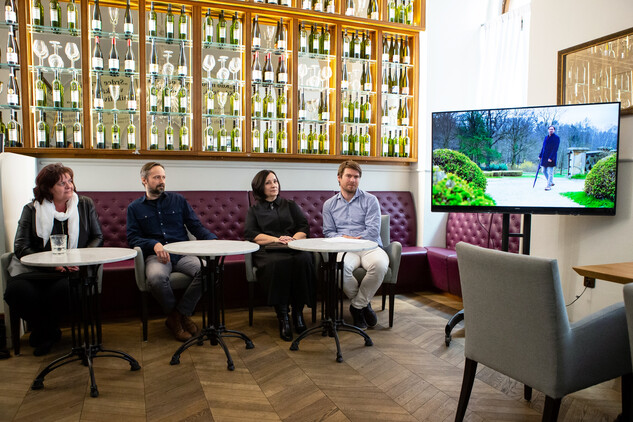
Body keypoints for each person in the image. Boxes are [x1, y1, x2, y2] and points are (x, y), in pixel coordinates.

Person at [4, 163, 103, 356]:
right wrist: (52, 265)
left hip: (74, 269)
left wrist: (78, 259)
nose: (69, 186)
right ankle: (48, 331)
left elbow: (97, 237)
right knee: (15, 290)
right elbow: (21, 246)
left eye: (70, 181)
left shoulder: (84, 204)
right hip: (36, 271)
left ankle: (44, 333)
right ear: (48, 188)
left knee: (63, 290)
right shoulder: (31, 209)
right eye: (61, 183)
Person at [126, 162, 217, 342]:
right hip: (156, 257)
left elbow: (195, 226)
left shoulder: (178, 200)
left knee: (209, 271)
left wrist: (214, 241)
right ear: (144, 180)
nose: (162, 181)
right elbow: (133, 238)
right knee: (156, 278)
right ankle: (177, 318)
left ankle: (178, 315)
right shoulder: (134, 208)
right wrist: (154, 244)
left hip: (183, 253)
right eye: (157, 177)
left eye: (164, 177)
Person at [244, 170, 314, 341]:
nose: (274, 185)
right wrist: (277, 239)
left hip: (293, 246)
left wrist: (292, 240)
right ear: (260, 186)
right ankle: (283, 316)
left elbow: (303, 227)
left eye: (275, 181)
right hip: (268, 250)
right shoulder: (254, 210)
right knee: (277, 263)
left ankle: (298, 313)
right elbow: (251, 234)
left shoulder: (289, 205)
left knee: (304, 260)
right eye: (268, 182)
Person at [322, 160, 389, 329]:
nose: (352, 180)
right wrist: (346, 241)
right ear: (339, 178)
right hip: (344, 249)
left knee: (380, 265)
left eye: (356, 177)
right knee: (339, 267)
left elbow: (373, 230)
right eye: (349, 176)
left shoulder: (371, 200)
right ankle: (363, 305)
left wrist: (353, 239)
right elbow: (329, 232)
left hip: (369, 246)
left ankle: (357, 306)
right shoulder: (329, 205)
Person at [539, 125, 560, 191]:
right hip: (544, 157)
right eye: (550, 129)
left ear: (554, 130)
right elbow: (543, 147)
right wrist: (540, 155)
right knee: (543, 171)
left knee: (550, 172)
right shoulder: (546, 137)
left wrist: (551, 157)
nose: (551, 130)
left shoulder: (556, 138)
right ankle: (551, 182)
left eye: (552, 129)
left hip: (551, 157)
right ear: (548, 130)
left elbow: (555, 149)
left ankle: (548, 186)